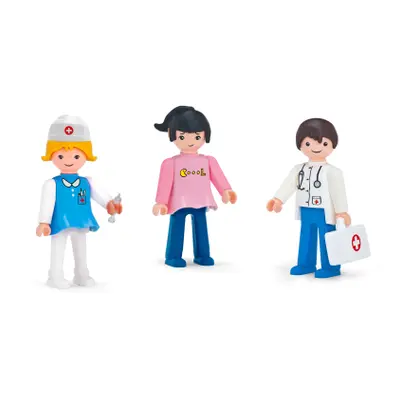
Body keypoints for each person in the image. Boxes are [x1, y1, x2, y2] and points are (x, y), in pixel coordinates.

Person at [36, 115, 122, 289]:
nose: (68, 161)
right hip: (59, 222)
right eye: (61, 156)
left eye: (76, 156)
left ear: (86, 156)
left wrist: (110, 204)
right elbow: (47, 203)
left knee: (81, 249)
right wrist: (44, 222)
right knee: (58, 248)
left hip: (82, 220)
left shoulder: (87, 181)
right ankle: (55, 276)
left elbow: (101, 196)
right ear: (51, 155)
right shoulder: (52, 184)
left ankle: (82, 274)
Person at [153, 106, 237, 268]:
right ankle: (173, 256)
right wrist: (161, 202)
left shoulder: (208, 161)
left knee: (201, 229)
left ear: (205, 136)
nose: (190, 141)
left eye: (197, 136)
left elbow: (218, 177)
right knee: (177, 228)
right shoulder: (171, 163)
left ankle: (202, 255)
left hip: (201, 200)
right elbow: (165, 183)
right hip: (179, 202)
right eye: (183, 136)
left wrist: (226, 191)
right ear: (172, 135)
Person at [267, 118, 350, 278]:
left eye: (324, 143)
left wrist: (342, 211)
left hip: (325, 211)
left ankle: (331, 267)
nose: (316, 147)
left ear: (333, 145)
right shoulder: (299, 169)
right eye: (308, 143)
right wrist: (278, 199)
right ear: (300, 145)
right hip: (306, 209)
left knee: (327, 238)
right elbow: (289, 184)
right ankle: (305, 264)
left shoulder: (333, 172)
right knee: (306, 237)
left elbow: (338, 192)